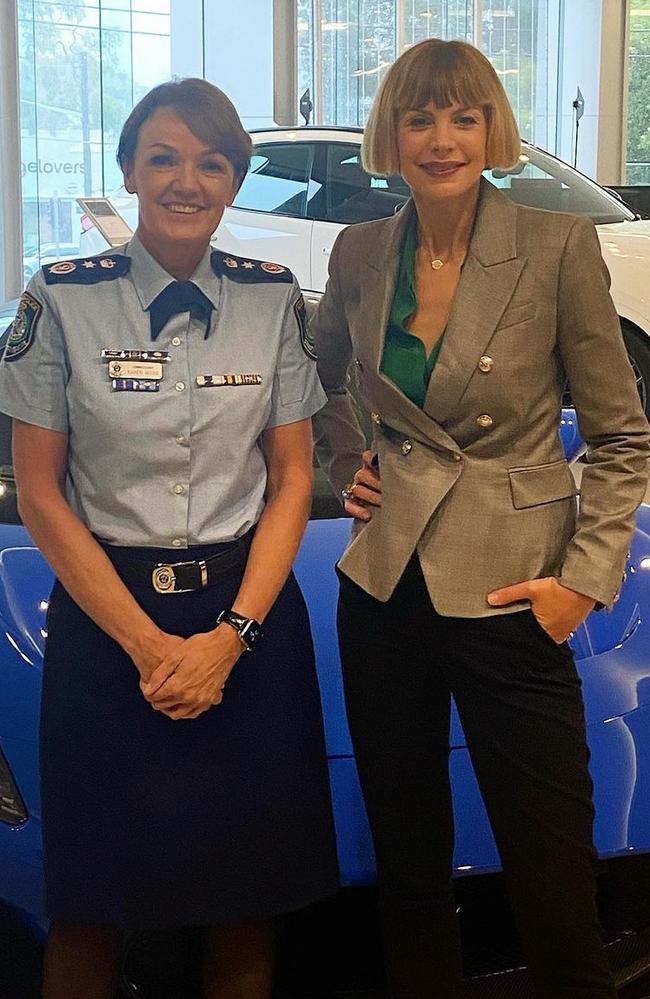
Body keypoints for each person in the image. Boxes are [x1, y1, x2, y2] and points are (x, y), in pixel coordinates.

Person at [311, 38, 650, 999]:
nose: (441, 137)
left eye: (463, 115)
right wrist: (348, 458)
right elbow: (320, 370)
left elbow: (625, 438)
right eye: (419, 117)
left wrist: (584, 579)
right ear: (393, 133)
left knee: (551, 866)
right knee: (409, 866)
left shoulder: (555, 245)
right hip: (382, 590)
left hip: (513, 588)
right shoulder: (361, 250)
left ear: (492, 127)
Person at [0, 78, 338, 999]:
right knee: (91, 899)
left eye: (211, 161)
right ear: (128, 172)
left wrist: (231, 639)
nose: (187, 180)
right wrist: (150, 644)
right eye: (163, 157)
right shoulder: (62, 299)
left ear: (234, 181)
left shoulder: (273, 300)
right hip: (109, 625)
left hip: (247, 617)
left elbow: (293, 480)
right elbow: (40, 494)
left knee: (245, 890)